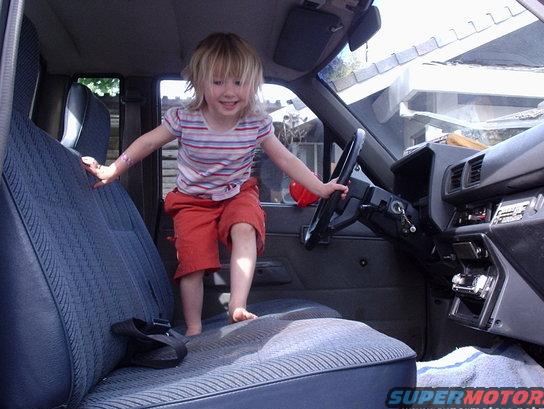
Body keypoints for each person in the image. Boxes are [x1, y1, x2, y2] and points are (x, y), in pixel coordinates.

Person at [82, 32, 348, 336]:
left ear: (252, 85)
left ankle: (237, 305)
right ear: (199, 82)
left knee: (245, 226)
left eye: (239, 82)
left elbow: (286, 160)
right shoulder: (185, 119)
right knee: (192, 264)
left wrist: (322, 188)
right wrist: (112, 170)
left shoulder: (256, 123)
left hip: (236, 193)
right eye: (218, 82)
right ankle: (193, 330)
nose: (229, 92)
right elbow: (146, 143)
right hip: (191, 199)